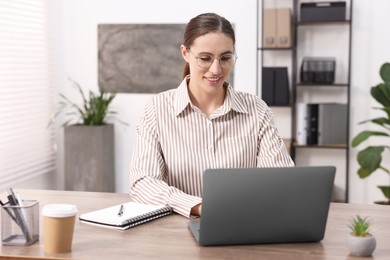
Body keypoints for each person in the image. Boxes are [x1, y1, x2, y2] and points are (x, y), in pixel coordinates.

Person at [129, 13, 294, 218]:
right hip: (177, 231)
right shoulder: (156, 110)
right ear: (185, 53)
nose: (216, 69)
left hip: (243, 225)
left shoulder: (257, 110)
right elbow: (142, 183)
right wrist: (198, 206)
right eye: (205, 58)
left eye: (225, 58)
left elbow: (280, 179)